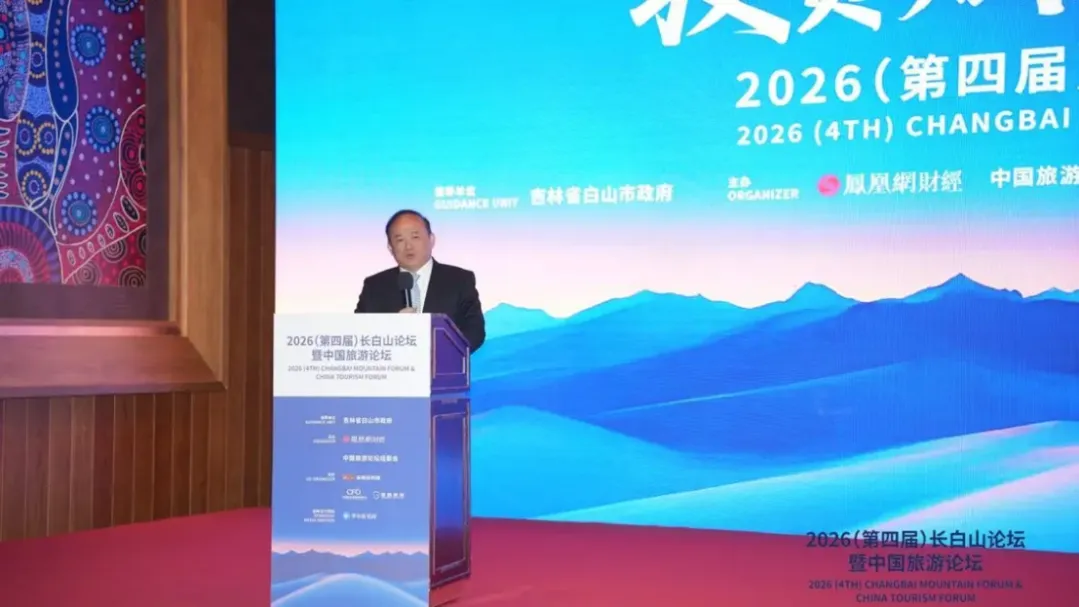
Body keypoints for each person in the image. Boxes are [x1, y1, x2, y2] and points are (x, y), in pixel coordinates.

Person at [354, 210, 486, 352]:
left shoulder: (459, 280)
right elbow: (357, 333)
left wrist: (436, 352)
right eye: (400, 240)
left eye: (415, 237)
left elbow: (475, 331)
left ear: (431, 240)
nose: (408, 246)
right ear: (390, 247)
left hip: (443, 363)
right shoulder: (374, 286)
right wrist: (392, 332)